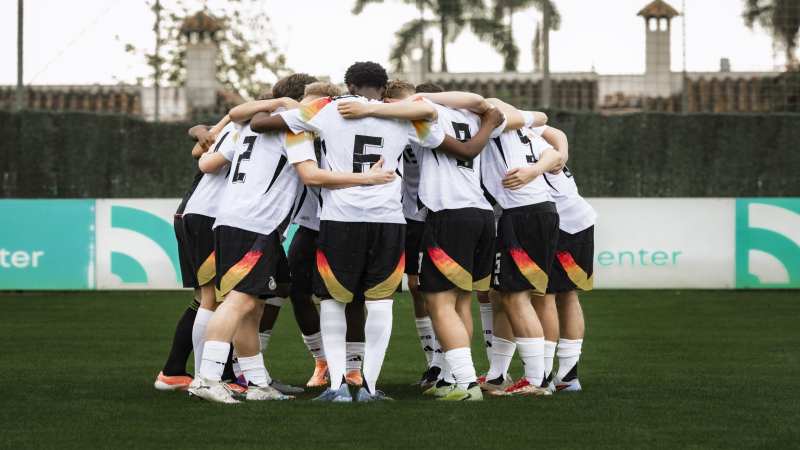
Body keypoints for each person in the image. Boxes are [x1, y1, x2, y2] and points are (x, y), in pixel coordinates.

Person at [250, 62, 451, 402]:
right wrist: (385, 110)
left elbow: (260, 124)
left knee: (332, 298)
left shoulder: (326, 110)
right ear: (383, 86)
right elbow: (433, 127)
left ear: (349, 84)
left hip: (339, 217)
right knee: (380, 300)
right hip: (388, 219)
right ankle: (370, 386)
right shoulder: (402, 114)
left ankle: (336, 386)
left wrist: (290, 108)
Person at [188, 74, 394, 404]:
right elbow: (311, 176)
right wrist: (366, 178)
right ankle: (207, 377)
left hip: (241, 221)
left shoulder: (253, 125)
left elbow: (234, 122)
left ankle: (256, 383)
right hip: (253, 224)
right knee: (239, 301)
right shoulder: (294, 129)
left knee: (252, 305)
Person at [339, 87, 508, 401]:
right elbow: (480, 102)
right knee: (460, 302)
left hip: (449, 215)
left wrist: (371, 110)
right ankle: (450, 378)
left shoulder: (424, 118)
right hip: (482, 214)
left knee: (438, 303)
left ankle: (467, 384)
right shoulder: (472, 114)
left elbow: (458, 144)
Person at [480, 98, 566, 396]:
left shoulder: (496, 125)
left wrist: (530, 173)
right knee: (504, 295)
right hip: (539, 211)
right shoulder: (524, 130)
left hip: (523, 214)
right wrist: (535, 171)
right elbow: (553, 153)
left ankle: (536, 379)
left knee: (517, 297)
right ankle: (498, 375)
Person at [154, 118, 233, 392]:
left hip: (191, 213)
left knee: (204, 299)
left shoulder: (239, 125)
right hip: (207, 216)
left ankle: (174, 371)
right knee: (217, 299)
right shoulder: (253, 128)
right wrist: (202, 132)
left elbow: (199, 135)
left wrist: (201, 132)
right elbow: (199, 139)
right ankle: (208, 378)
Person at [382, 80, 443, 388]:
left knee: (441, 290)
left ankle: (446, 363)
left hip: (438, 213)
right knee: (416, 286)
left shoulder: (432, 122)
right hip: (408, 216)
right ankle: (432, 361)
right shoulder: (392, 125)